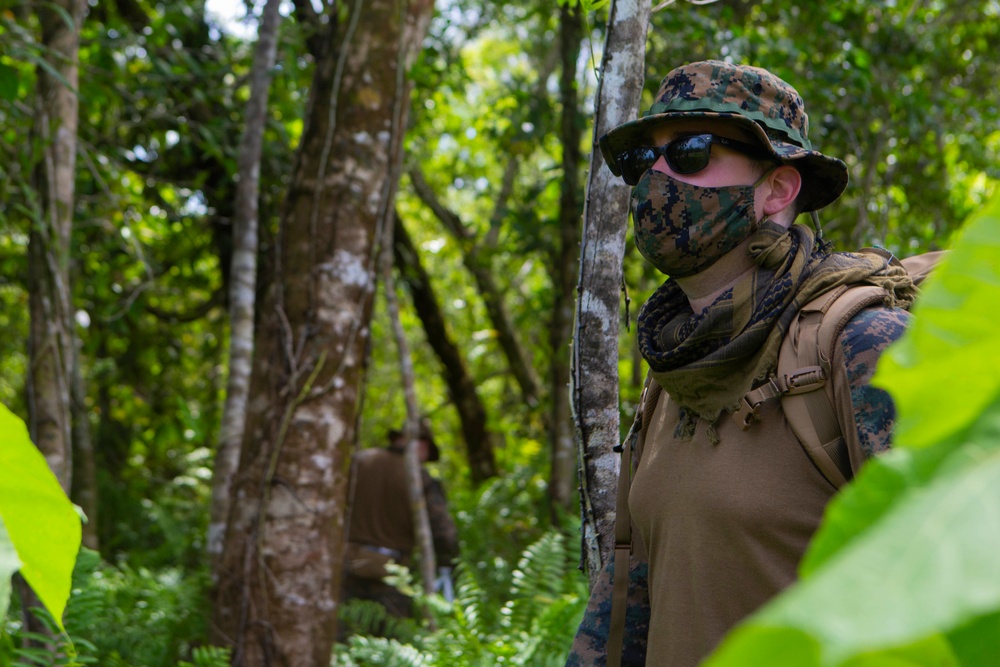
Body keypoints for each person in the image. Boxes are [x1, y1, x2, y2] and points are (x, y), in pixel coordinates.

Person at [567, 60, 914, 666]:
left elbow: (959, 596)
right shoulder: (674, 372)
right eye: (642, 160)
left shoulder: (864, 346)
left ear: (778, 189)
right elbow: (627, 606)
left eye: (691, 152)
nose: (655, 178)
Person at [341, 419, 459, 634]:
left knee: (342, 636)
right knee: (392, 639)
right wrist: (449, 566)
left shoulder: (358, 462)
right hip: (391, 573)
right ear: (422, 444)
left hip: (345, 566)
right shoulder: (420, 478)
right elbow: (443, 532)